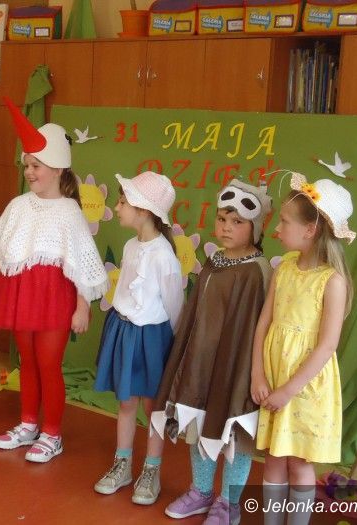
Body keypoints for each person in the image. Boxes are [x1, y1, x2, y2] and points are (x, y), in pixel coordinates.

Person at [0, 97, 109, 463]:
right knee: (27, 361)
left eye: (35, 165)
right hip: (21, 296)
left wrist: (82, 306)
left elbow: (81, 263)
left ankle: (52, 433)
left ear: (57, 169)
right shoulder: (18, 205)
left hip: (55, 299)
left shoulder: (69, 211)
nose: (29, 171)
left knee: (48, 363)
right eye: (26, 165)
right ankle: (28, 423)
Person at [151, 179, 273, 524]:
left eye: (237, 222)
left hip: (236, 367)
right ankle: (201, 492)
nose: (226, 227)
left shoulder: (257, 271)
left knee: (233, 433)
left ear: (256, 228)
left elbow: (254, 326)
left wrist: (246, 369)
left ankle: (229, 503)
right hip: (203, 363)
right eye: (222, 219)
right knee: (199, 423)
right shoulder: (215, 259)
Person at [253, 174, 354, 525]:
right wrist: (258, 374)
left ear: (310, 230)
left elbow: (327, 345)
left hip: (304, 387)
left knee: (298, 461)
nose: (277, 228)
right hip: (274, 377)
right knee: (273, 457)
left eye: (284, 221)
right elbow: (263, 324)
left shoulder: (332, 281)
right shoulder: (284, 270)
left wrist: (288, 390)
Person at [92, 171, 184, 505]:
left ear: (143, 210)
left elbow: (175, 306)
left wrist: (170, 350)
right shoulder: (131, 246)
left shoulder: (164, 256)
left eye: (122, 202)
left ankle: (151, 470)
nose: (117, 208)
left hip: (153, 338)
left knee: (152, 406)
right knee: (127, 402)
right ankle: (123, 465)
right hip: (124, 331)